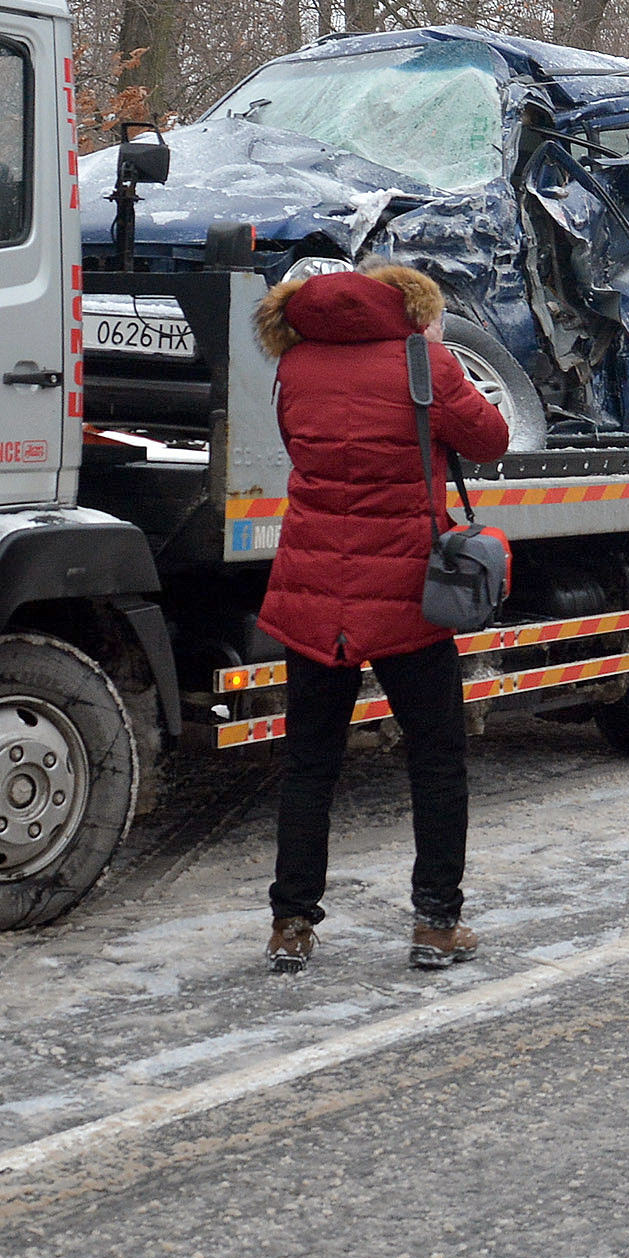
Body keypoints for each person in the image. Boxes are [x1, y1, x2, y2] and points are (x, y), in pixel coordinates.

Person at [253, 261, 512, 975]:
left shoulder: (296, 367)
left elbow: (300, 448)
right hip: (403, 593)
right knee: (435, 757)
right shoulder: (421, 360)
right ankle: (435, 923)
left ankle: (291, 924)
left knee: (309, 763)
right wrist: (437, 357)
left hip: (313, 591)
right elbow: (489, 437)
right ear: (408, 306)